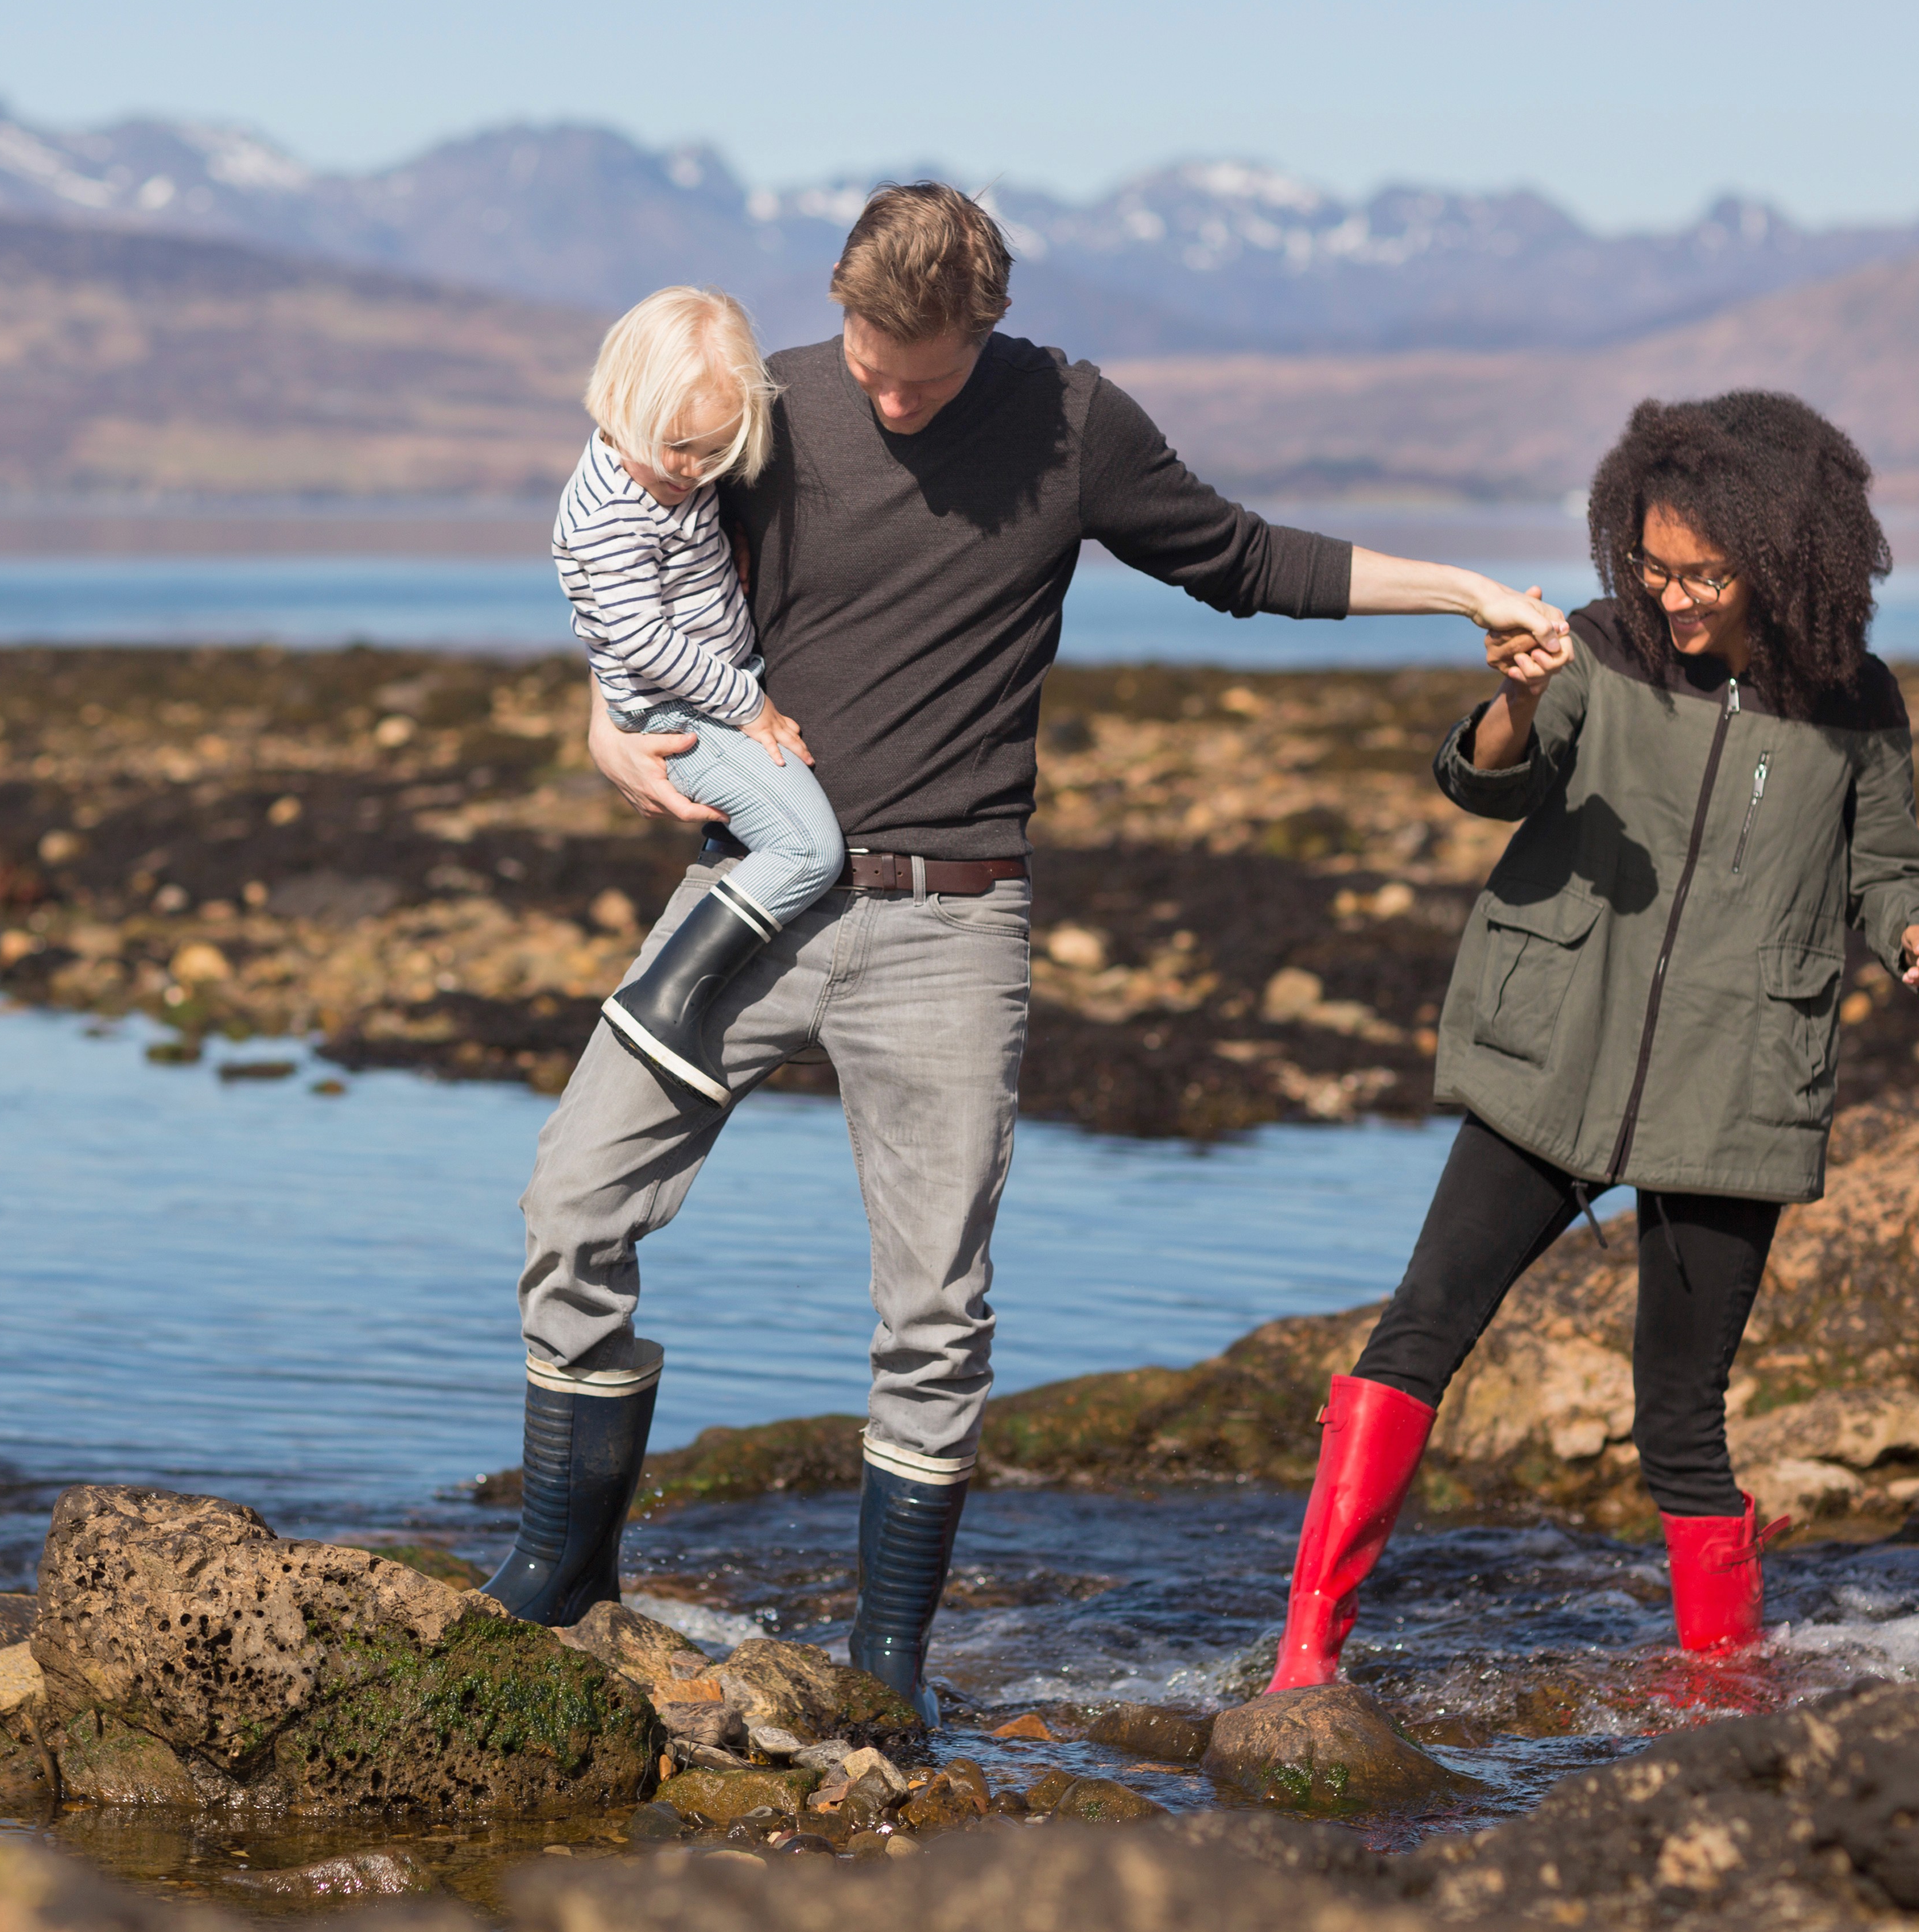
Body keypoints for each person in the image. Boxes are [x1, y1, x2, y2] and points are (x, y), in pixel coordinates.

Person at [481, 184, 1569, 1725]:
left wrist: (1460, 589)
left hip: (951, 924)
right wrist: (605, 730)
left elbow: (1247, 559)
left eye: (921, 372)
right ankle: (559, 1567)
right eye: (866, 359)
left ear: (984, 327)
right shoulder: (766, 402)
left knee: (933, 1314)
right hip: (750, 889)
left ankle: (885, 1669)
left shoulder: (1074, 425)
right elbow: (631, 575)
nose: (888, 395)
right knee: (570, 1200)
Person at [1267, 391, 1919, 1694]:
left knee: (1679, 1422)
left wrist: (1918, 932)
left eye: (1703, 573)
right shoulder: (1593, 648)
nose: (1675, 595)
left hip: (1738, 1077)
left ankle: (1719, 1696)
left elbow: (1884, 863)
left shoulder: (1852, 697)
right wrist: (1516, 705)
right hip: (1552, 1055)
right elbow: (1488, 783)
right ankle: (1304, 1657)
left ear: (1782, 556)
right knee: (1414, 1333)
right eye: (1652, 566)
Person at [551, 287, 844, 1106]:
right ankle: (666, 997)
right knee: (808, 850)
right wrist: (749, 706)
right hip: (681, 715)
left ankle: (671, 994)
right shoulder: (607, 513)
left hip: (704, 697)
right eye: (680, 449)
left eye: (716, 455)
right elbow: (642, 642)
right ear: (622, 404)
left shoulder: (666, 476)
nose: (695, 471)